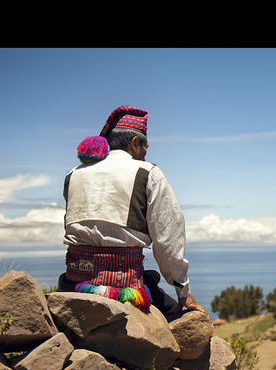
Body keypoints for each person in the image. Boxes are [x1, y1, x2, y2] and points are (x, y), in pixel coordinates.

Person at [57, 105, 208, 319]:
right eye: (145, 149)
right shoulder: (147, 173)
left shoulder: (73, 174)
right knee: (178, 321)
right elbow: (168, 240)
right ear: (135, 143)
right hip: (124, 289)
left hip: (73, 284)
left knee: (151, 276)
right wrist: (183, 292)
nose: (145, 156)